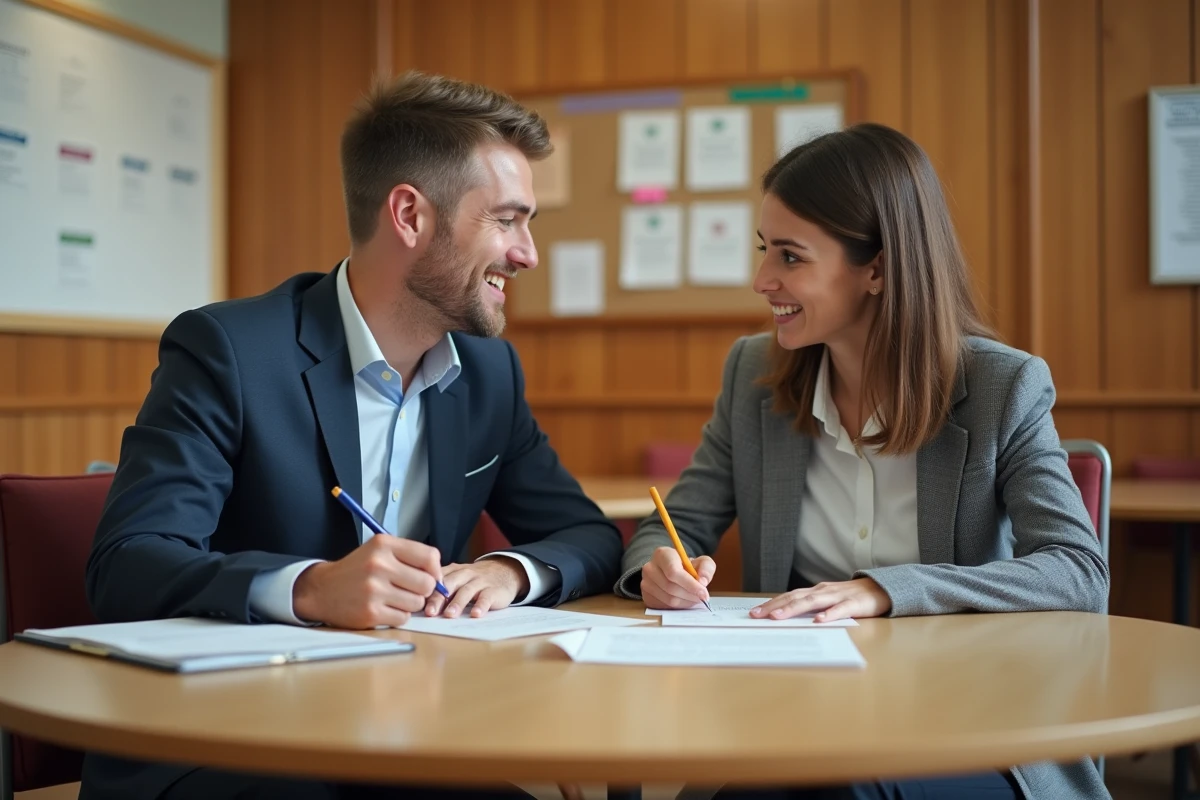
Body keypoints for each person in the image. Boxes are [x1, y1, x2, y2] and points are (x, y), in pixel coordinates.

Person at [81, 70, 623, 800]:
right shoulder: (229, 351)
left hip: (412, 734)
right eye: (506, 219)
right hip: (230, 742)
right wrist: (307, 589)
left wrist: (508, 572)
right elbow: (128, 562)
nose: (526, 253)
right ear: (409, 215)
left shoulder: (489, 372)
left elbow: (587, 535)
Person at [615, 123, 1110, 800]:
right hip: (797, 721)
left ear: (877, 267)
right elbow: (676, 520)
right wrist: (659, 568)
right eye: (765, 251)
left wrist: (886, 591)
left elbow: (1078, 572)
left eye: (791, 257)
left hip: (972, 727)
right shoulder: (752, 374)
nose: (762, 280)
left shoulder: (1004, 387)